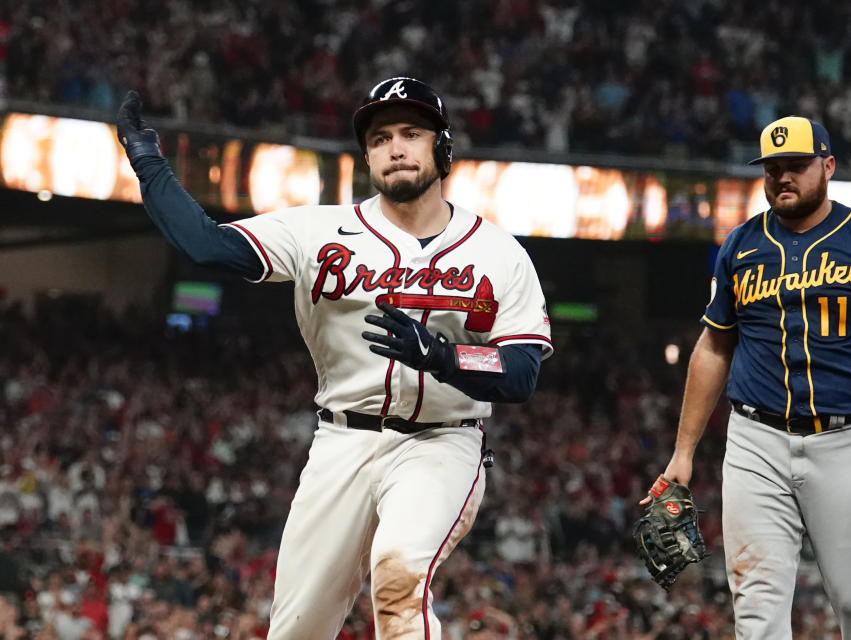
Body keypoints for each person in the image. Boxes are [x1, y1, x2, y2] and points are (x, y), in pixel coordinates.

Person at [116, 76, 553, 638]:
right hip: (341, 442)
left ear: (442, 147)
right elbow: (207, 245)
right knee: (297, 629)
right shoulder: (321, 231)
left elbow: (522, 373)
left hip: (441, 442)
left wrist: (446, 357)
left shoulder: (499, 252)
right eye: (380, 138)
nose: (395, 147)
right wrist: (150, 164)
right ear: (367, 156)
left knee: (400, 577)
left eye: (412, 133)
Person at [646, 116, 851, 638]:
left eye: (796, 167)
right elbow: (714, 345)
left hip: (849, 440)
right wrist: (683, 451)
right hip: (756, 440)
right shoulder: (740, 246)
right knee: (756, 613)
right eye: (773, 168)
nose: (783, 177)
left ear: (827, 166)